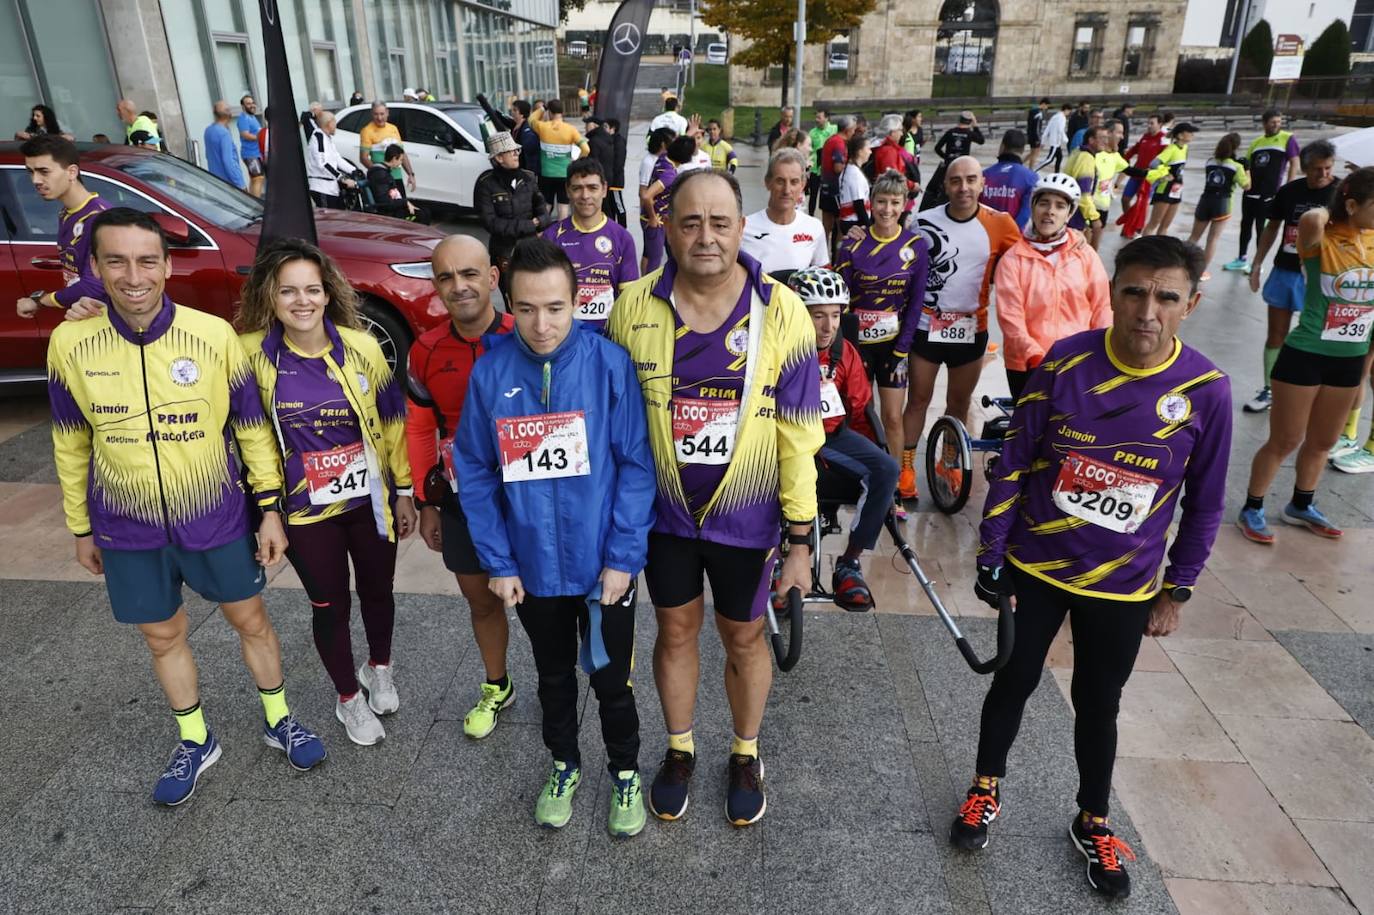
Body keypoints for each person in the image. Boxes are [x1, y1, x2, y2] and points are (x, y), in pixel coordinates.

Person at [955, 235, 1231, 901]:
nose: (1147, 310)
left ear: (1189, 304)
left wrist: (1178, 587)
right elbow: (1016, 457)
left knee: (1098, 702)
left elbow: (1206, 501)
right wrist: (991, 554)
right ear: (1112, 292)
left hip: (1124, 587)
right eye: (1134, 291)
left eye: (1166, 297)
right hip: (1036, 567)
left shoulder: (1206, 391)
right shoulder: (1065, 361)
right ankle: (985, 786)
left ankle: (1093, 817)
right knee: (1012, 682)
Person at [47, 208, 328, 804]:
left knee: (250, 619)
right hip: (126, 524)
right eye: (116, 261)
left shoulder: (211, 335)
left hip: (216, 516)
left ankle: (279, 720)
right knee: (162, 635)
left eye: (147, 260)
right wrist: (79, 526)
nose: (133, 275)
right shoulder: (70, 341)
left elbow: (252, 428)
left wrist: (271, 509)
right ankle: (196, 739)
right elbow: (70, 441)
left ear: (168, 266)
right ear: (94, 267)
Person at [608, 168, 825, 827]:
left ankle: (744, 751)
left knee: (744, 634)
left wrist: (800, 540)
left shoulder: (782, 312)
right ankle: (679, 749)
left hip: (749, 520)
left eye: (720, 221)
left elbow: (797, 437)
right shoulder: (632, 305)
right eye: (691, 221)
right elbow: (618, 425)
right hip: (666, 517)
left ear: (742, 226)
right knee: (675, 629)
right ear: (669, 228)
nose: (705, 235)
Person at [454, 237, 655, 835]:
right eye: (528, 308)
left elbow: (637, 467)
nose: (542, 325)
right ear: (508, 301)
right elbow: (476, 471)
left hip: (603, 568)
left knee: (613, 678)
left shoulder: (609, 365)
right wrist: (499, 560)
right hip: (532, 569)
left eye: (557, 308)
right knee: (553, 677)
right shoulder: (491, 373)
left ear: (577, 302)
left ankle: (625, 773)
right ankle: (563, 763)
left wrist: (623, 557)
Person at [236, 239, 415, 745]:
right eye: (287, 291)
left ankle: (378, 667)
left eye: (312, 289)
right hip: (305, 508)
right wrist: (267, 510)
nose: (301, 301)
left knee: (379, 590)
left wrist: (403, 490)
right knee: (329, 605)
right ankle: (348, 701)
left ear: (328, 293)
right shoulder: (250, 354)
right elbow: (250, 433)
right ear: (269, 297)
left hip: (369, 501)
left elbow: (393, 420)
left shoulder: (358, 346)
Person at [406, 235, 520, 739]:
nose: (460, 286)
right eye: (447, 277)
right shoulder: (425, 349)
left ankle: (559, 683)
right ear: (436, 285)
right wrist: (426, 501)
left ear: (493, 278)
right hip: (461, 497)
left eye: (470, 274)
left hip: (528, 494)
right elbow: (417, 429)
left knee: (544, 602)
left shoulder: (527, 333)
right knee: (481, 599)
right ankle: (497, 683)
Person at [1238, 168, 1374, 544]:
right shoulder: (1321, 235)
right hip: (1306, 353)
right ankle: (1252, 506)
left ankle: (1301, 504)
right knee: (1285, 440)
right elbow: (1313, 216)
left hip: (1349, 358)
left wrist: (1366, 365)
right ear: (1351, 205)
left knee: (1323, 442)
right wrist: (1342, 201)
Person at [905, 157, 1020, 502]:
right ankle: (905, 467)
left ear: (983, 184)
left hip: (971, 328)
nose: (964, 187)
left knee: (958, 402)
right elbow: (900, 260)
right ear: (946, 185)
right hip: (927, 328)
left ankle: (949, 462)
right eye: (956, 181)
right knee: (919, 400)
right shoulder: (922, 222)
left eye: (971, 180)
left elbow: (1027, 263)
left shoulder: (1000, 224)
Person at [790, 267, 898, 610]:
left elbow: (859, 406)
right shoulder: (778, 346)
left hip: (830, 437)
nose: (828, 326)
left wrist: (877, 466)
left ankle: (849, 562)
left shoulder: (845, 351)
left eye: (836, 315)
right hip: (786, 439)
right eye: (818, 315)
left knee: (886, 469)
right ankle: (782, 562)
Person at [836, 172, 930, 490]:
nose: (887, 210)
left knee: (892, 417)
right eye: (881, 202)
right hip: (858, 347)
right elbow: (842, 301)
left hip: (894, 347)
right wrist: (846, 349)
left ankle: (896, 485)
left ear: (904, 205)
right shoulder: (852, 243)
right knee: (861, 414)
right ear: (870, 204)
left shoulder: (916, 247)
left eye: (894, 202)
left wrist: (902, 349)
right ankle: (865, 478)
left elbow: (917, 303)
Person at [1241, 141, 1339, 415]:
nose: (1323, 174)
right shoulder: (1289, 191)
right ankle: (1269, 389)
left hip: (1323, 276)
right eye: (1317, 169)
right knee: (1276, 334)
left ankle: (1314, 391)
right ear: (1305, 167)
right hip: (1286, 271)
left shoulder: (1342, 193)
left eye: (1328, 168)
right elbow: (1272, 228)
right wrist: (1257, 263)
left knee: (1320, 335)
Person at [993, 173, 1111, 398]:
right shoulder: (1013, 259)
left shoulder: (1083, 253)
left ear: (1069, 213)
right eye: (1044, 203)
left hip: (1079, 360)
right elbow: (1011, 318)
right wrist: (1034, 355)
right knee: (1032, 427)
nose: (1050, 211)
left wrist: (1101, 348)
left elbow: (1102, 306)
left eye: (1059, 206)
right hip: (1028, 363)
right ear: (1033, 207)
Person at [15, 135, 110, 319]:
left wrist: (40, 301)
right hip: (84, 318)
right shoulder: (67, 212)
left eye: (44, 171)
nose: (35, 180)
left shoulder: (100, 218)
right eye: (30, 171)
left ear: (72, 172)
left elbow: (95, 285)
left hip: (106, 324)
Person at [541, 157, 639, 331]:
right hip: (563, 337)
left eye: (592, 188)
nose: (585, 196)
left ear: (604, 189)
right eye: (577, 188)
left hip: (607, 338)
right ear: (568, 191)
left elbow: (629, 300)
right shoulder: (551, 238)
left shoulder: (623, 238)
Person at [475, 131, 551, 299]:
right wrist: (529, 225)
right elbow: (490, 222)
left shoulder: (529, 178)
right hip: (504, 252)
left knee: (533, 296)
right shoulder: (486, 184)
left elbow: (544, 214)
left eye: (517, 150)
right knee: (511, 298)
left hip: (531, 250)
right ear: (499, 158)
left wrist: (540, 221)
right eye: (511, 151)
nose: (516, 154)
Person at [1224, 110, 1301, 273]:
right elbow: (1247, 166)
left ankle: (1257, 263)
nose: (1277, 125)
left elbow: (1294, 162)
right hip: (1251, 191)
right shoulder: (1257, 142)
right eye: (1273, 122)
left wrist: (1288, 186)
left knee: (1262, 228)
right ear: (1264, 123)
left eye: (1279, 122)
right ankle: (1241, 258)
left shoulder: (1287, 138)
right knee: (1245, 225)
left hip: (1269, 193)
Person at [740, 147, 830, 279]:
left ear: (803, 184)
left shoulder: (814, 227)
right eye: (780, 181)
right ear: (767, 182)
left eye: (794, 182)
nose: (787, 190)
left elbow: (824, 279)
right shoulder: (744, 227)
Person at [1185, 133, 1250, 279]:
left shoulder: (1209, 162)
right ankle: (1201, 272)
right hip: (1222, 203)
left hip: (1205, 200)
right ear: (1236, 147)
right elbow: (1247, 186)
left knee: (1194, 236)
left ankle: (1183, 265)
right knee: (1212, 239)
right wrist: (1247, 169)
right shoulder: (1236, 166)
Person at [639, 135, 693, 273]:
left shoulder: (663, 157)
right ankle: (649, 290)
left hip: (654, 218)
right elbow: (646, 196)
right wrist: (652, 218)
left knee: (655, 255)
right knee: (655, 260)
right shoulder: (669, 174)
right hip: (655, 220)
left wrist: (689, 135)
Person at [530, 100, 590, 220]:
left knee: (546, 203)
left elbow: (531, 119)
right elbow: (586, 149)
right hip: (564, 173)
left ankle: (543, 230)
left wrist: (542, 109)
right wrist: (575, 161)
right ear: (562, 112)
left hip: (546, 173)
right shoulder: (570, 129)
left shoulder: (542, 127)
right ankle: (561, 233)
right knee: (563, 205)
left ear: (550, 112)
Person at [1142, 122, 1197, 237]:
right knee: (1154, 223)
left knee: (1165, 226)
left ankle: (1160, 251)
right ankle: (1144, 249)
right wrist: (1164, 174)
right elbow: (1153, 164)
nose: (1192, 134)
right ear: (1180, 135)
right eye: (1190, 132)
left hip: (1177, 189)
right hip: (1165, 188)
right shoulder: (1171, 149)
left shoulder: (1185, 148)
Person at [924, 111, 985, 210]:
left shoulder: (950, 132)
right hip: (963, 168)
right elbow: (981, 140)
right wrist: (975, 125)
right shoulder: (969, 133)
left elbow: (937, 148)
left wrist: (947, 157)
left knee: (945, 193)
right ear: (969, 122)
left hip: (949, 167)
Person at [980, 129, 1037, 228]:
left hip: (985, 234)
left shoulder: (983, 175)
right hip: (1013, 238)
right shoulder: (1031, 178)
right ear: (1023, 150)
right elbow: (1024, 216)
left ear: (1002, 146)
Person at [1088, 120, 1131, 248]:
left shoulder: (1114, 155)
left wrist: (1154, 173)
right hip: (1088, 206)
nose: (1122, 137)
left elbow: (1129, 170)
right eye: (1119, 132)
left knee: (1095, 247)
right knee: (1084, 243)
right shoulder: (1091, 154)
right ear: (1109, 133)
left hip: (1104, 205)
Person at [819, 116, 858, 253]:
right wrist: (853, 168)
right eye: (853, 130)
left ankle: (821, 255)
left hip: (825, 187)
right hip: (835, 189)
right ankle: (838, 257)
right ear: (847, 130)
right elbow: (837, 167)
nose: (854, 133)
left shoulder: (831, 140)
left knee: (826, 226)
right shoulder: (839, 143)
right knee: (842, 226)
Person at [359, 102, 416, 192]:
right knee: (388, 205)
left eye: (382, 114)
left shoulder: (393, 128)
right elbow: (363, 158)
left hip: (397, 176)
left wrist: (410, 174)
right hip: (381, 180)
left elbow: (402, 153)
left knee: (401, 204)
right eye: (376, 114)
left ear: (387, 113)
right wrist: (378, 172)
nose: (379, 118)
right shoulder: (367, 131)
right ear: (371, 114)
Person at [872, 114, 919, 220]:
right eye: (900, 130)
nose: (902, 133)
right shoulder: (889, 151)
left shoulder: (880, 145)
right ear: (892, 132)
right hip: (891, 197)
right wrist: (912, 185)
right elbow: (892, 177)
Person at [368, 145, 430, 224]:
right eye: (400, 160)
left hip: (395, 207)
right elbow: (384, 202)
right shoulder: (380, 174)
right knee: (422, 214)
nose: (401, 163)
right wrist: (404, 202)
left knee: (425, 210)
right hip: (390, 213)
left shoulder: (384, 172)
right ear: (394, 159)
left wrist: (404, 202)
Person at [1062, 125, 1104, 242]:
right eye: (1102, 138)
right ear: (1091, 140)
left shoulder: (1079, 152)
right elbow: (1083, 192)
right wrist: (1094, 217)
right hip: (1074, 217)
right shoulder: (1086, 158)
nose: (1105, 141)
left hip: (1068, 212)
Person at [305, 111, 355, 208]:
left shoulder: (327, 138)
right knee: (329, 218)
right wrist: (342, 178)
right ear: (329, 123)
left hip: (331, 188)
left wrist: (354, 170)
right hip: (322, 188)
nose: (336, 125)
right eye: (334, 122)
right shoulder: (319, 137)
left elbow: (337, 158)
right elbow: (323, 163)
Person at [203, 101, 246, 190]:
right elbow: (228, 162)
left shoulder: (208, 130)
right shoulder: (224, 134)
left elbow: (208, 155)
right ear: (229, 115)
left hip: (217, 182)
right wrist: (240, 184)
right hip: (230, 184)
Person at [837, 135, 872, 237]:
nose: (871, 152)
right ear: (860, 152)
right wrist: (869, 227)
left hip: (847, 221)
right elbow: (859, 204)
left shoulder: (848, 170)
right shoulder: (855, 174)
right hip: (855, 223)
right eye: (868, 149)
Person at [807, 109, 837, 214]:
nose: (816, 120)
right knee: (813, 195)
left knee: (829, 195)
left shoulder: (834, 129)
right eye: (816, 117)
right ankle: (810, 216)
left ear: (826, 118)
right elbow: (809, 151)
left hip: (830, 168)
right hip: (816, 168)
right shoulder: (812, 132)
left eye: (819, 117)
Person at [237, 95, 265, 198]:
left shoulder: (252, 117)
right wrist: (260, 138)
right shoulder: (243, 118)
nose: (252, 105)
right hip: (250, 154)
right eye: (248, 103)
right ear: (243, 106)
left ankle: (251, 201)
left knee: (255, 179)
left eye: (252, 103)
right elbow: (245, 134)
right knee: (258, 178)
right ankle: (256, 203)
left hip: (256, 153)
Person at [1036, 103, 1071, 174]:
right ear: (1066, 110)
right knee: (1049, 159)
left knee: (1059, 157)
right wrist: (1066, 139)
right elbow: (1060, 130)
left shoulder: (1055, 117)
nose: (1068, 113)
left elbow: (1047, 129)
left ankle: (1057, 174)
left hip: (1055, 141)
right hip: (1056, 142)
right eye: (1069, 111)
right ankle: (1035, 169)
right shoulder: (1062, 118)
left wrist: (1043, 140)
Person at [1026, 98, 1050, 169]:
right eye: (1047, 106)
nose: (1047, 108)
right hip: (1035, 136)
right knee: (1035, 154)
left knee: (1032, 153)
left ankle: (1020, 162)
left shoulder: (1032, 110)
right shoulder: (1038, 113)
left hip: (1030, 134)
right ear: (1043, 104)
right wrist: (1038, 138)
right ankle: (1031, 169)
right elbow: (1037, 127)